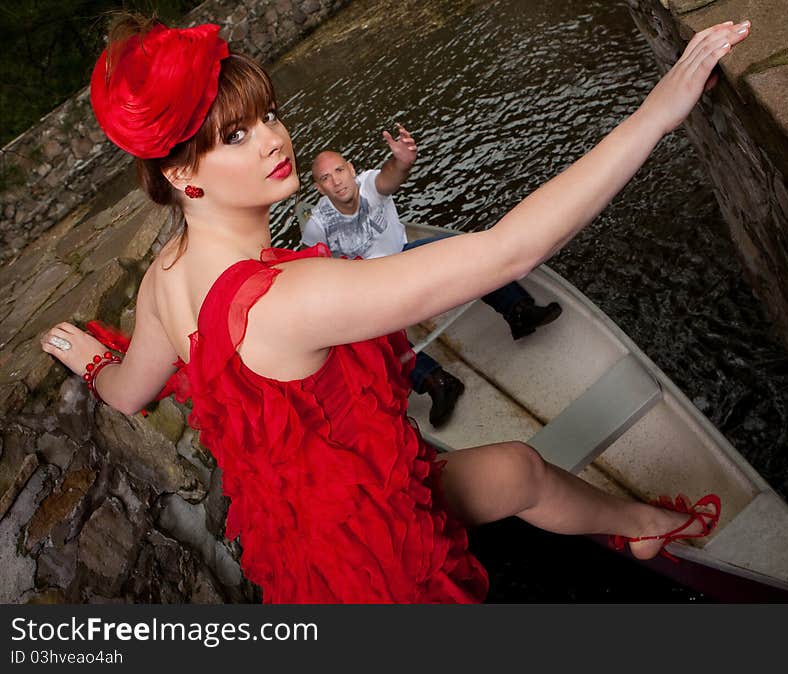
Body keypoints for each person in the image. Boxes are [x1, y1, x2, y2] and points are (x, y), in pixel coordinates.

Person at [41, 14, 749, 603]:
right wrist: (656, 115)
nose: (274, 139)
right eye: (235, 135)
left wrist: (93, 358)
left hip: (314, 539)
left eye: (269, 115)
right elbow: (506, 253)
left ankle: (642, 523)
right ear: (181, 172)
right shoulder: (287, 298)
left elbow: (129, 390)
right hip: (375, 566)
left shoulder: (165, 279)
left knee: (516, 471)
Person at [301, 128, 562, 427]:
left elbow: (390, 176)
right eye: (325, 178)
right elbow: (315, 271)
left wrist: (403, 161)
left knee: (465, 251)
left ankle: (518, 311)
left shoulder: (369, 184)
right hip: (371, 286)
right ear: (320, 189)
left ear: (351, 169)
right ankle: (437, 381)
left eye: (339, 171)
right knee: (362, 336)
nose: (336, 181)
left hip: (406, 256)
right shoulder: (317, 225)